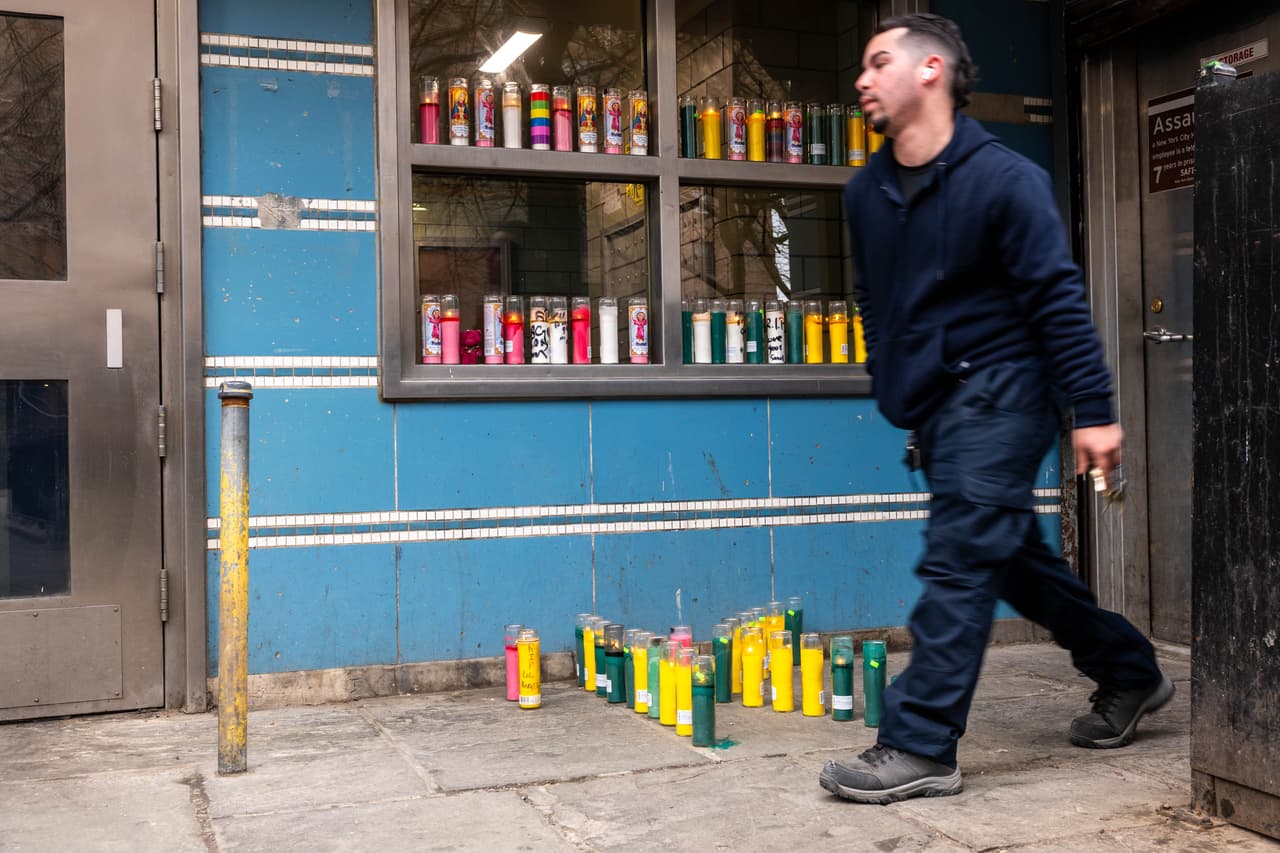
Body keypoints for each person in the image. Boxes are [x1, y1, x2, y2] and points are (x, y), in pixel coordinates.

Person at [820, 13, 1173, 805]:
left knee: (957, 556)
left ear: (932, 69)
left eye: (879, 62)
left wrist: (1094, 408)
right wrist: (894, 384)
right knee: (1009, 558)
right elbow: (876, 303)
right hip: (938, 408)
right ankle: (1131, 672)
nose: (862, 79)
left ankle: (919, 742)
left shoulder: (1004, 179)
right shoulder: (867, 193)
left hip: (1007, 390)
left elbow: (1058, 301)